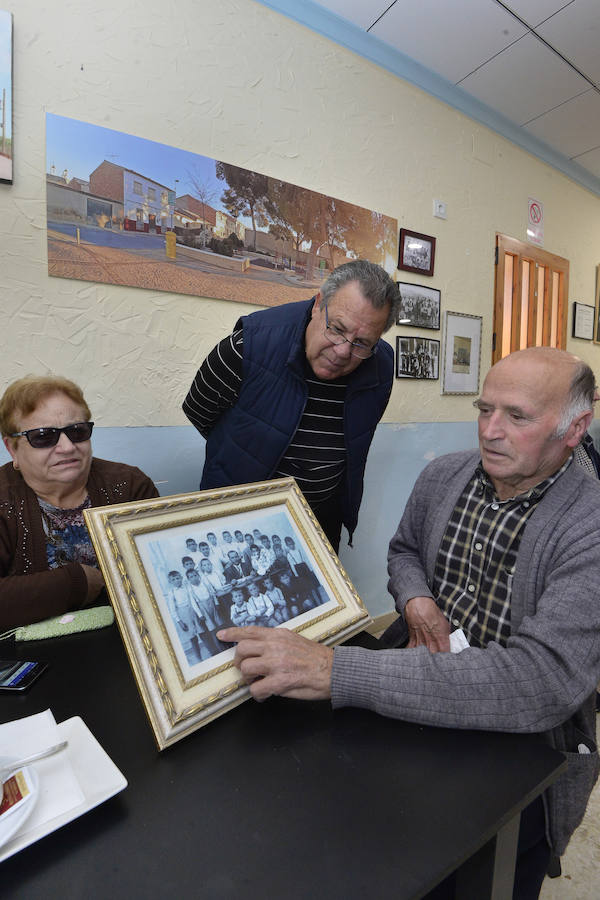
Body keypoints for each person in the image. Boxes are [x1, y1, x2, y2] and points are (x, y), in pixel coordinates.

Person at [218, 348, 600, 899]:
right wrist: (416, 598)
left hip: (517, 754)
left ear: (574, 428)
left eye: (517, 417)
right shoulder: (445, 475)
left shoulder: (587, 526)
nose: (491, 431)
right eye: (484, 408)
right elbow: (404, 552)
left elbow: (541, 684)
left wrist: (340, 672)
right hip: (410, 701)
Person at [182, 260, 399, 551]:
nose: (343, 351)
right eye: (337, 329)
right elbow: (200, 411)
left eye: (362, 342)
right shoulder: (247, 346)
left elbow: (354, 440)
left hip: (318, 525)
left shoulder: (380, 365)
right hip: (235, 521)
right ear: (318, 304)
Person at [0, 375, 158, 630]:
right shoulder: (3, 499)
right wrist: (76, 583)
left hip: (129, 644)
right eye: (43, 436)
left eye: (77, 431)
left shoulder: (130, 486)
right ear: (13, 449)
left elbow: (159, 576)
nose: (67, 447)